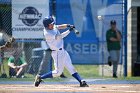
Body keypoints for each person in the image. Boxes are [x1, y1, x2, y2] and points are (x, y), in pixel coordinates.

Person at [34, 16, 88, 87]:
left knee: (70, 67)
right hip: (57, 53)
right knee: (58, 72)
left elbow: (59, 26)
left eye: (53, 23)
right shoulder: (47, 33)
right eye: (51, 24)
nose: (53, 24)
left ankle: (81, 81)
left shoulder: (52, 26)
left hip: (62, 51)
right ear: (47, 25)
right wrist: (69, 30)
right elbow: (60, 36)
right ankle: (40, 77)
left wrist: (68, 25)